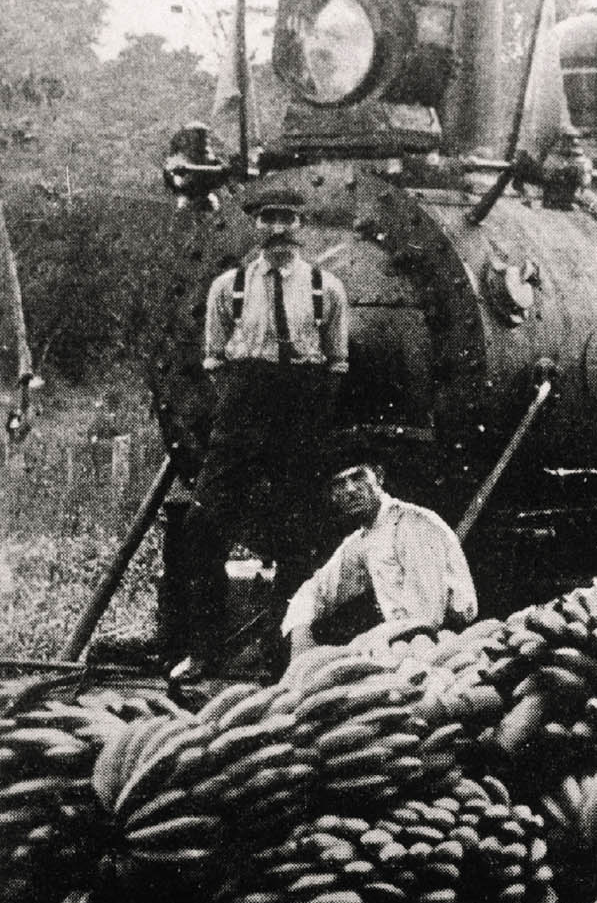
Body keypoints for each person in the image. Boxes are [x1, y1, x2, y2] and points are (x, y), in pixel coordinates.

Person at [184, 185, 349, 668]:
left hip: (301, 408)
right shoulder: (227, 287)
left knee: (299, 532)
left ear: (302, 226)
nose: (278, 229)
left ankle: (284, 654)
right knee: (203, 525)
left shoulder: (328, 289)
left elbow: (338, 363)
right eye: (268, 219)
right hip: (242, 406)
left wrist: (309, 414)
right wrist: (238, 409)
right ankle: (205, 650)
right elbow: (214, 360)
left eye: (288, 219)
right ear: (255, 225)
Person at [282, 462, 476, 662]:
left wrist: (365, 642)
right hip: (404, 644)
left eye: (358, 477)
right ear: (333, 496)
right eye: (339, 484)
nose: (350, 490)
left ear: (379, 477)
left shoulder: (414, 523)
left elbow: (426, 617)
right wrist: (301, 636)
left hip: (447, 648)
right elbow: (316, 589)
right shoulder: (363, 539)